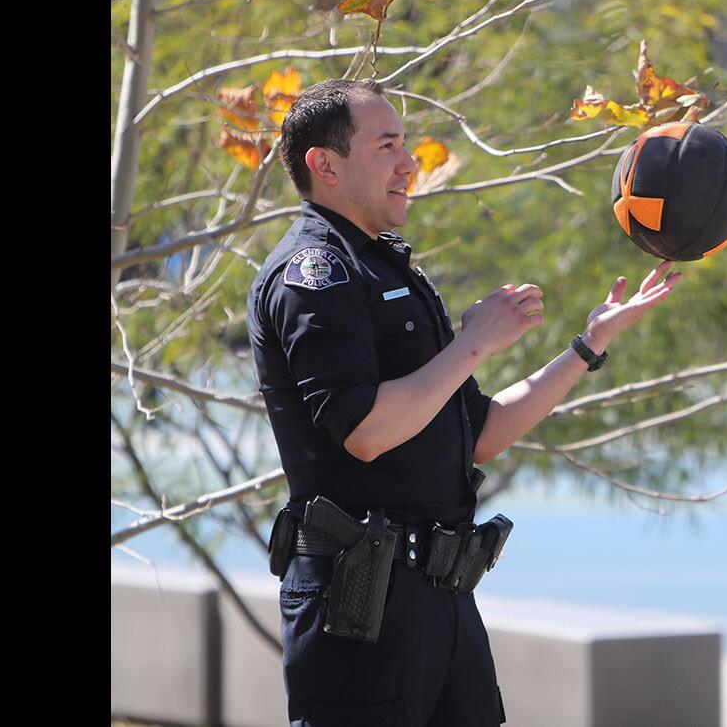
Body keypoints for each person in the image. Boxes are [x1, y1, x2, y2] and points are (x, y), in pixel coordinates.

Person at [247, 78, 681, 727]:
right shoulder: (316, 273)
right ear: (325, 165)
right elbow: (364, 429)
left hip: (441, 599)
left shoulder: (390, 270)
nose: (409, 162)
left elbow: (477, 433)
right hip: (360, 611)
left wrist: (588, 346)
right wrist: (476, 339)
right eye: (388, 145)